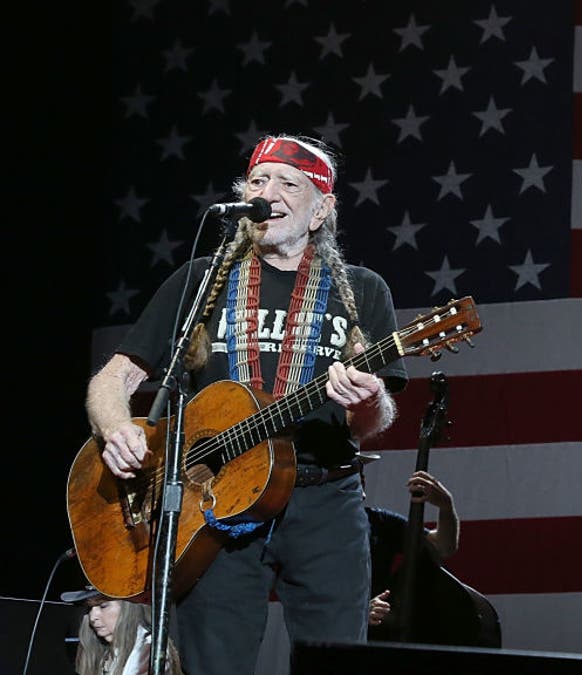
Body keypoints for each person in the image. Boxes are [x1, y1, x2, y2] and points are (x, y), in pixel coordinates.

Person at [85, 133, 407, 674]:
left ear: (321, 210)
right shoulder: (202, 280)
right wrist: (118, 429)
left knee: (337, 661)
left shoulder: (362, 289)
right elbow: (112, 380)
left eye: (289, 183)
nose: (268, 192)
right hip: (212, 502)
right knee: (214, 664)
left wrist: (370, 398)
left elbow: (370, 422)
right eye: (258, 181)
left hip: (322, 498)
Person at [366, 470, 460, 629]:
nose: (360, 477)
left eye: (360, 469)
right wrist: (357, 613)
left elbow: (442, 547)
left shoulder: (377, 521)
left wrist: (445, 506)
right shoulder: (314, 531)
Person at [63, 586, 183, 675]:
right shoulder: (105, 652)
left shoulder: (149, 649)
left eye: (103, 606)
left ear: (127, 608)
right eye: (89, 609)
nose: (93, 617)